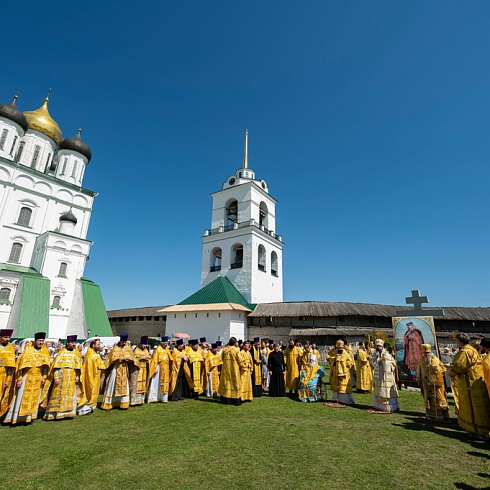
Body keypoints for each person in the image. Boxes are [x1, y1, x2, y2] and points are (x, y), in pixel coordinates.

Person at [449, 333, 490, 440]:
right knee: (477, 406)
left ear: (459, 341)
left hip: (469, 381)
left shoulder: (464, 352)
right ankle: (474, 430)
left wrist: (450, 372)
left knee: (474, 406)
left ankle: (480, 432)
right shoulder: (472, 350)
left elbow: (459, 366)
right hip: (475, 379)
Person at [4, 332, 51, 424]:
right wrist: (19, 378)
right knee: (20, 397)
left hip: (38, 377)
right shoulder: (28, 350)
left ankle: (28, 418)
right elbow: (21, 365)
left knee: (34, 399)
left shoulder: (44, 351)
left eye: (42, 341)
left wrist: (44, 377)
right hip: (26, 377)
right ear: (35, 341)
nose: (41, 342)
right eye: (39, 340)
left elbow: (46, 367)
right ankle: (15, 419)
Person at [43, 334, 83, 420]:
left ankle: (68, 413)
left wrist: (77, 376)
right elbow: (56, 367)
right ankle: (55, 413)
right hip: (61, 376)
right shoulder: (61, 353)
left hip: (71, 376)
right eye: (72, 342)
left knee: (70, 394)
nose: (73, 344)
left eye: (74, 342)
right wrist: (56, 377)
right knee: (58, 395)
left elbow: (78, 366)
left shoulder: (76, 353)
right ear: (68, 343)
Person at [416, 344, 450, 422]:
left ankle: (441, 416)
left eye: (427, 353)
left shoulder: (435, 359)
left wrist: (436, 371)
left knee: (438, 398)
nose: (426, 355)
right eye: (425, 353)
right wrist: (418, 378)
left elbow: (443, 368)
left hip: (435, 383)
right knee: (428, 398)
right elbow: (419, 368)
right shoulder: (422, 359)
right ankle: (430, 415)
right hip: (426, 383)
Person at [101, 334, 134, 410]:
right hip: (116, 369)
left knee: (124, 385)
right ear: (120, 341)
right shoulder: (115, 348)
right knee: (113, 385)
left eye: (125, 342)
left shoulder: (128, 348)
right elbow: (110, 359)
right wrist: (118, 360)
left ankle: (123, 404)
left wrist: (128, 359)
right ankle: (110, 403)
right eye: (123, 342)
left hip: (125, 368)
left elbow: (132, 357)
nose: (124, 343)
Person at [77, 338, 106, 415]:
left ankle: (91, 405)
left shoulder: (93, 354)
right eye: (98, 345)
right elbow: (90, 369)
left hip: (95, 376)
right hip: (92, 377)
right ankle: (88, 405)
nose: (99, 346)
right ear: (93, 345)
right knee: (91, 390)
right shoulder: (91, 355)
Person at [370, 339, 399, 412]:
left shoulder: (387, 354)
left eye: (379, 346)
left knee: (386, 391)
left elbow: (393, 363)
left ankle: (388, 407)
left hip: (386, 376)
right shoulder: (374, 353)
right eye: (377, 346)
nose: (378, 347)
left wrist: (385, 362)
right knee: (379, 391)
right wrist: (376, 358)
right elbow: (372, 362)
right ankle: (379, 406)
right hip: (378, 376)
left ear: (382, 346)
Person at [327, 340, 354, 405]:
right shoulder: (334, 353)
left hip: (344, 374)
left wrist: (345, 365)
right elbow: (330, 359)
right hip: (335, 373)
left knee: (343, 387)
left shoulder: (346, 354)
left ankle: (344, 400)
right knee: (336, 387)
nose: (339, 349)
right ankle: (335, 399)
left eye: (341, 348)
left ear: (343, 347)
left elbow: (351, 362)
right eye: (338, 348)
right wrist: (335, 359)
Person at [218, 337, 242, 405]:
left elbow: (221, 359)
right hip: (234, 369)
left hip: (226, 369)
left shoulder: (224, 350)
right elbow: (240, 360)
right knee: (235, 383)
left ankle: (226, 399)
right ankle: (235, 400)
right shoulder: (236, 350)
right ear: (235, 343)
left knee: (226, 383)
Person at [147, 336, 171, 403]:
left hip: (166, 368)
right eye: (165, 343)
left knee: (164, 383)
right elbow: (154, 359)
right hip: (159, 367)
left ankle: (163, 398)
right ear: (162, 342)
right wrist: (154, 368)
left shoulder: (167, 349)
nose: (166, 344)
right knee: (156, 383)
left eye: (167, 343)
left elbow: (170, 358)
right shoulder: (158, 349)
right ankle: (154, 397)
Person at [130, 336, 150, 406]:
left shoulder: (146, 350)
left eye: (145, 345)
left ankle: (141, 400)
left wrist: (147, 359)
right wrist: (140, 358)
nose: (144, 346)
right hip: (138, 369)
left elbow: (149, 357)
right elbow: (134, 358)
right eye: (143, 344)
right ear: (140, 344)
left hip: (144, 369)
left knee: (143, 384)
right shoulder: (136, 350)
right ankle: (134, 401)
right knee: (136, 383)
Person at [0, 329, 16, 417]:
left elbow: (11, 366)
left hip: (3, 376)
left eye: (9, 337)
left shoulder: (10, 347)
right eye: (5, 337)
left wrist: (9, 379)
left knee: (2, 397)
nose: (7, 339)